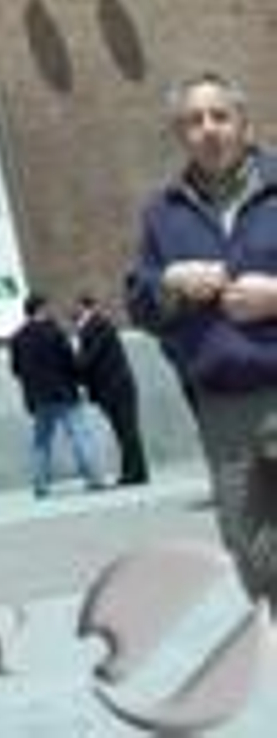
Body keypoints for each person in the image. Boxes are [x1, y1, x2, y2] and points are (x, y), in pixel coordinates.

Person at [126, 70, 277, 601]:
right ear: (180, 135)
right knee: (253, 551)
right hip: (224, 410)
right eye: (194, 121)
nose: (208, 130)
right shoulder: (163, 212)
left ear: (244, 124)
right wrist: (168, 283)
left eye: (220, 116)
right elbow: (139, 302)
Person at [7, 293, 105, 498]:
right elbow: (70, 362)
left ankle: (40, 485)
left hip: (38, 397)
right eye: (48, 307)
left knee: (41, 441)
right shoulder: (55, 332)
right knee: (79, 435)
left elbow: (15, 370)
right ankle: (93, 478)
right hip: (64, 392)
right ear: (41, 308)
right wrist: (79, 379)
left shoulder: (17, 338)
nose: (52, 310)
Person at [72, 293, 149, 487]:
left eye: (76, 307)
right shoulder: (91, 327)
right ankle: (133, 471)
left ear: (84, 307)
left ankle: (135, 472)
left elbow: (90, 358)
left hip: (116, 387)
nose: (72, 312)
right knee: (124, 431)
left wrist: (71, 369)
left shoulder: (97, 325)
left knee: (126, 431)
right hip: (113, 388)